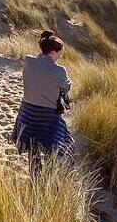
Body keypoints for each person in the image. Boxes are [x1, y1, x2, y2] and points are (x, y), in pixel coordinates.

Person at [12, 30, 73, 174]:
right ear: (52, 52)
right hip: (47, 116)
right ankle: (49, 172)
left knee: (32, 145)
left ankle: (35, 171)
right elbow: (66, 87)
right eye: (59, 53)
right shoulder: (60, 71)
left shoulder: (28, 61)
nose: (61, 56)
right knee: (62, 143)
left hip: (27, 112)